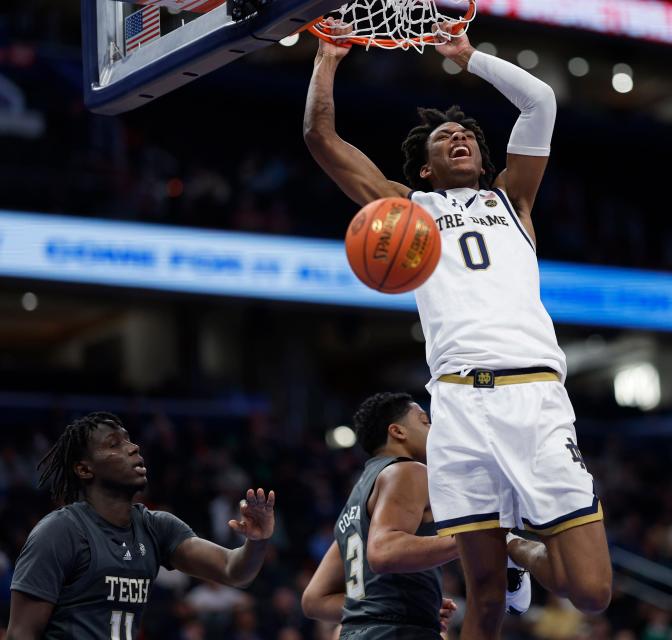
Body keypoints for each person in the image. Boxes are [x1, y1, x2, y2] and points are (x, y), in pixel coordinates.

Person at [303, 19, 611, 639]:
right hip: (458, 405)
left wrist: (469, 58)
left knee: (593, 593)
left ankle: (522, 545)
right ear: (424, 169)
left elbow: (541, 100)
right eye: (444, 137)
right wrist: (329, 59)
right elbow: (320, 137)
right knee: (487, 601)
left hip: (535, 398)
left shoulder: (513, 201)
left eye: (467, 133)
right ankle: (507, 557)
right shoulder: (405, 211)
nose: (458, 136)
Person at [7, 411, 276, 639]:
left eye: (129, 440)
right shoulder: (59, 531)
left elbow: (234, 571)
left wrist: (257, 541)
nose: (133, 447)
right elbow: (20, 634)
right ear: (84, 469)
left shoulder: (157, 527)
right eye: (114, 444)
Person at [301, 392, 458, 638]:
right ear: (398, 432)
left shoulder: (356, 500)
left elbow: (314, 600)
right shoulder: (407, 471)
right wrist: (470, 538)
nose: (433, 429)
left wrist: (408, 606)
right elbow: (384, 553)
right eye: (425, 421)